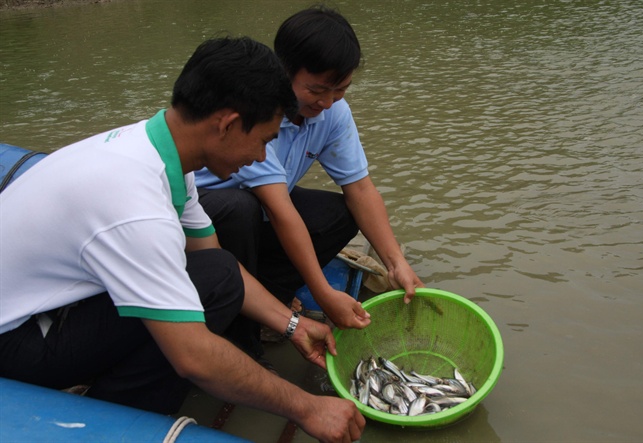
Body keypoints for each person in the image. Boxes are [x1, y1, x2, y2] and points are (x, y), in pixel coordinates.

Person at [0, 36, 364, 442]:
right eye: (263, 139)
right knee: (198, 321)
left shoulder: (155, 149)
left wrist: (293, 325)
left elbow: (214, 259)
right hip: (16, 341)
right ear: (227, 124)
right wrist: (308, 407)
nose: (263, 157)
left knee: (219, 273)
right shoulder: (134, 204)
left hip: (44, 306)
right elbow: (194, 358)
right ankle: (120, 415)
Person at [195, 6, 424, 337]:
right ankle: (240, 335)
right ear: (283, 72)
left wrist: (395, 263)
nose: (328, 102)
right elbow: (279, 210)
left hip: (267, 203)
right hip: (210, 212)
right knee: (239, 209)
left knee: (341, 213)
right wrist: (323, 293)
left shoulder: (333, 113)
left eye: (340, 89)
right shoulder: (258, 109)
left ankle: (268, 299)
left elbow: (360, 189)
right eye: (317, 90)